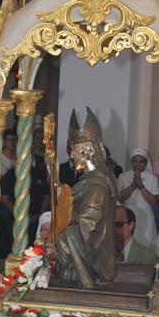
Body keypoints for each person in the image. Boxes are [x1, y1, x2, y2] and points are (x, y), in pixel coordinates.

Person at [56, 107, 117, 288]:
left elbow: (88, 225)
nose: (72, 155)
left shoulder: (97, 185)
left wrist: (61, 231)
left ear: (86, 152)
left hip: (93, 263)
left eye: (74, 150)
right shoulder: (89, 181)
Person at [118, 148, 158, 248]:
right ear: (132, 162)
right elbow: (120, 198)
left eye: (141, 162)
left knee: (145, 247)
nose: (138, 165)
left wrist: (140, 186)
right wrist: (132, 186)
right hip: (127, 217)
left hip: (146, 217)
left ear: (145, 163)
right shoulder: (123, 177)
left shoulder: (153, 178)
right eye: (135, 161)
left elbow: (153, 201)